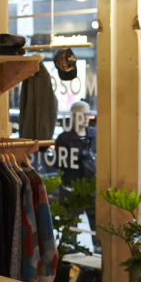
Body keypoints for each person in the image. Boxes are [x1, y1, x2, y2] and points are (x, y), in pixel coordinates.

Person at [54, 100, 98, 251]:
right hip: (71, 188)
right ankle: (69, 256)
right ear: (73, 116)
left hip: (91, 188)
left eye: (88, 115)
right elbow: (60, 164)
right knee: (69, 232)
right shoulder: (64, 138)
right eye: (83, 115)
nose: (86, 118)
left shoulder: (94, 135)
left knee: (97, 228)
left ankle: (97, 254)